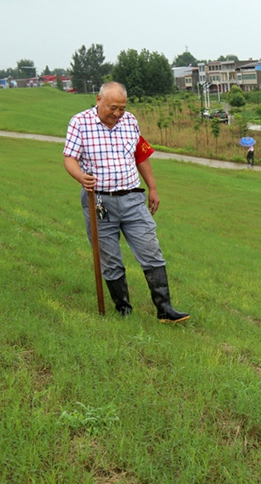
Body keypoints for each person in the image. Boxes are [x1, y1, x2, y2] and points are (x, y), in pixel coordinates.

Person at [63, 81, 190, 323]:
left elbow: (140, 155)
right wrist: (81, 177)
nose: (117, 113)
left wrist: (153, 188)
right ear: (99, 100)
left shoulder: (130, 121)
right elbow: (69, 158)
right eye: (113, 107)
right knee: (110, 258)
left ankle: (165, 309)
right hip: (99, 201)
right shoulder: (79, 122)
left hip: (132, 199)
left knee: (151, 250)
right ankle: (123, 309)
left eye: (122, 108)